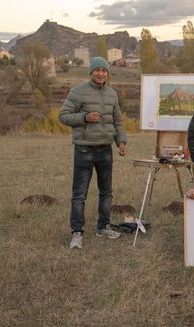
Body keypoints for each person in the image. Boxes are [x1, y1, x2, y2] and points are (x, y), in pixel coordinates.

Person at [59, 56, 128, 249]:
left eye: (104, 70)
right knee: (79, 194)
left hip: (105, 149)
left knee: (106, 192)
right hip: (84, 150)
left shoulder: (112, 94)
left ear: (108, 73)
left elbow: (118, 122)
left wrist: (120, 141)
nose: (101, 73)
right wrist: (85, 117)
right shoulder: (78, 91)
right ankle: (77, 233)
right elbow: (63, 116)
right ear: (91, 72)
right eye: (97, 70)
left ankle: (103, 226)